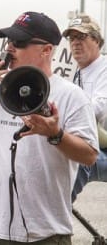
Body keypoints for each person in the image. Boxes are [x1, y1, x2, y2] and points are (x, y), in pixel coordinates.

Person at [0, 11, 99, 244]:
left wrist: (54, 134)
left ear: (46, 50)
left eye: (19, 43)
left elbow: (89, 156)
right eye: (9, 41)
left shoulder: (71, 96)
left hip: (44, 232)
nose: (10, 48)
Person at [61, 13, 107, 202]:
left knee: (77, 159)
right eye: (72, 38)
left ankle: (55, 221)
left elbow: (100, 106)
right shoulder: (76, 73)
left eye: (81, 37)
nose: (75, 43)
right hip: (97, 144)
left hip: (103, 148)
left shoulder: (104, 67)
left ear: (97, 41)